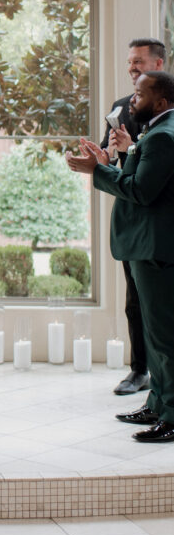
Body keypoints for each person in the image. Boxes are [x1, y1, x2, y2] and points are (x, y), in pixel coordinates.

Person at [66, 71, 174, 443]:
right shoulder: (157, 131)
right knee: (153, 335)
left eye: (139, 94)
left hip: (156, 248)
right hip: (149, 246)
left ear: (160, 102)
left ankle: (171, 415)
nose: (131, 100)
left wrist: (98, 171)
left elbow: (141, 191)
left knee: (164, 339)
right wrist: (119, 158)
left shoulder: (163, 136)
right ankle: (157, 404)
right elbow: (144, 178)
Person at [99, 38, 165, 396]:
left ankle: (165, 385)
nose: (132, 67)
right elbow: (109, 157)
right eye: (129, 62)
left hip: (163, 218)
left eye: (138, 61)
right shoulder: (121, 107)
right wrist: (105, 157)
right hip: (133, 219)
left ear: (158, 65)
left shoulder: (170, 109)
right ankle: (139, 371)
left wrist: (133, 151)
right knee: (135, 300)